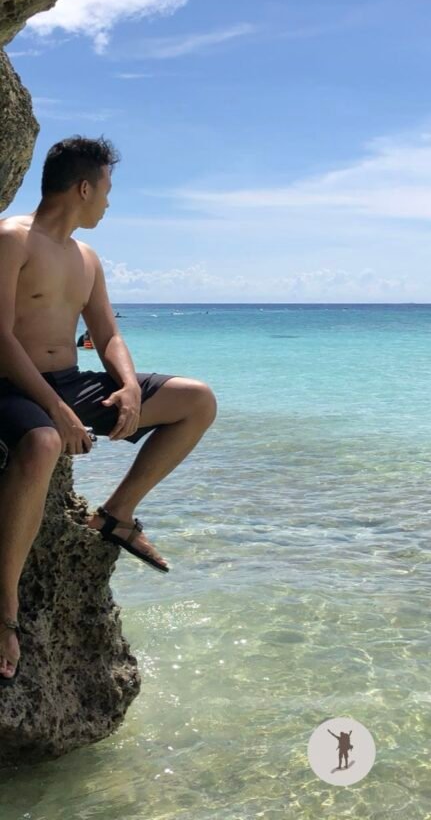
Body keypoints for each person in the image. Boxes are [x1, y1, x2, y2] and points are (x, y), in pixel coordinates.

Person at [0, 136, 218, 686]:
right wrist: (57, 411)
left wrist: (129, 387)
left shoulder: (87, 258)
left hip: (70, 383)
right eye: (107, 190)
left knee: (197, 401)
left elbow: (107, 332)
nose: (108, 203)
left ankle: (116, 516)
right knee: (45, 440)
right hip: (10, 383)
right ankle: (4, 610)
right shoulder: (9, 240)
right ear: (83, 187)